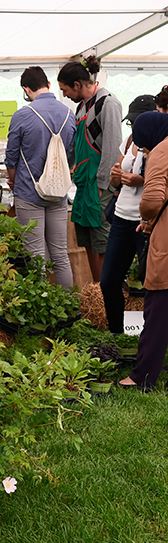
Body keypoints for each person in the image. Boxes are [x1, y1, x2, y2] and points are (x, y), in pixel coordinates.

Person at [5, 66, 76, 289]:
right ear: (48, 84)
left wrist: (13, 179)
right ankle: (67, 305)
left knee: (35, 256)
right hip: (59, 192)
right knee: (60, 255)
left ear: (26, 89)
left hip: (29, 191)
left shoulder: (23, 114)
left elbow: (11, 155)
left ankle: (41, 308)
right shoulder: (68, 113)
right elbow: (72, 153)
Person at [57, 55, 122, 283]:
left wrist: (103, 185)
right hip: (84, 186)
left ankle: (105, 293)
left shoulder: (107, 103)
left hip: (99, 186)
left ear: (77, 85)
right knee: (86, 240)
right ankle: (96, 289)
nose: (64, 95)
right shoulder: (82, 107)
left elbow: (112, 148)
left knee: (101, 242)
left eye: (65, 90)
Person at [119, 113, 168, 389]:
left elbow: (151, 198)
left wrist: (147, 218)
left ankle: (143, 376)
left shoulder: (162, 150)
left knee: (158, 308)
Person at [100, 95, 156, 333]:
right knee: (109, 281)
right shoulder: (129, 141)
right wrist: (115, 178)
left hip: (147, 222)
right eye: (130, 122)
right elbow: (117, 176)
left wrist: (140, 180)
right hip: (122, 217)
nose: (133, 127)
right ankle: (116, 331)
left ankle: (151, 337)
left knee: (151, 284)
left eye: (136, 122)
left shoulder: (160, 144)